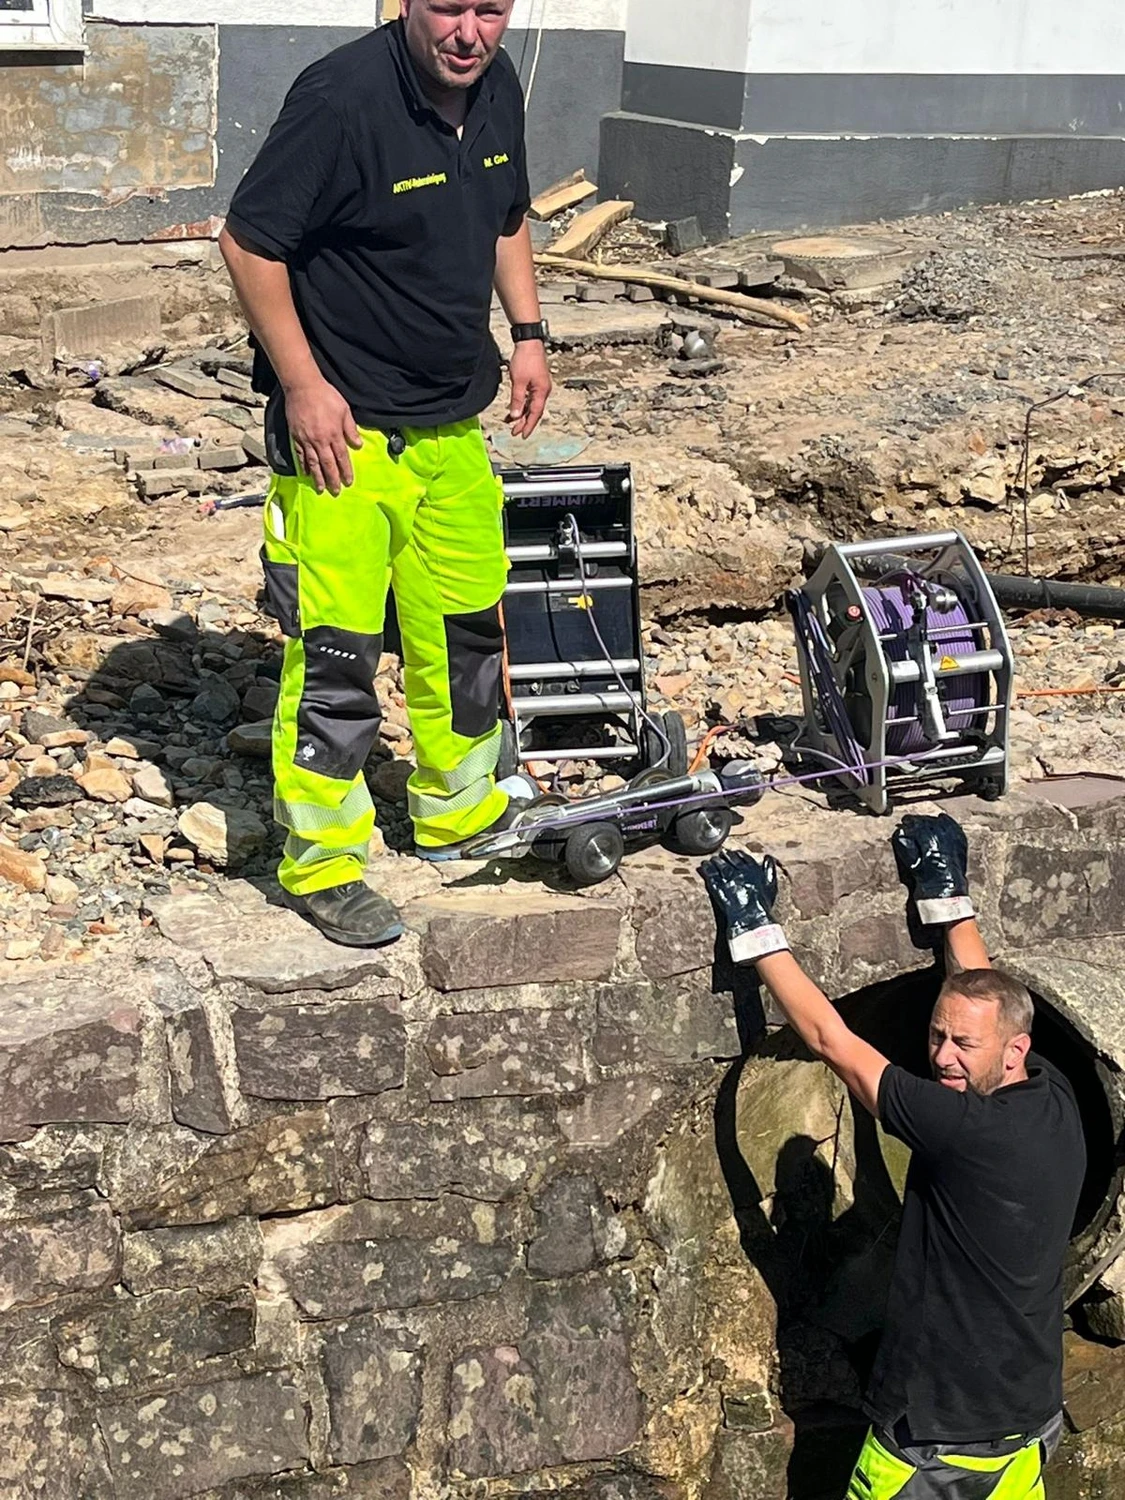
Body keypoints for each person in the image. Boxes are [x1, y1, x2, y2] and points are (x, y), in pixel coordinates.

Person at [219, 0, 551, 948]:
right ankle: (321, 862)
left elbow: (506, 214)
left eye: (491, 10)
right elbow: (248, 243)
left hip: (451, 425)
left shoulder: (498, 83)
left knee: (465, 633)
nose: (469, 32)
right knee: (336, 658)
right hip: (343, 438)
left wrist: (525, 335)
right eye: (449, 6)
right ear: (406, 2)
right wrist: (303, 385)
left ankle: (458, 811)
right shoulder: (339, 96)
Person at [701, 813, 1086, 1500]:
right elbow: (983, 990)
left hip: (930, 1440)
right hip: (1026, 1426)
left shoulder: (961, 1127)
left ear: (1011, 1050)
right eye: (935, 1036)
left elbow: (831, 1041)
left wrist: (755, 930)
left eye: (960, 1047)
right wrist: (946, 893)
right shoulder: (1050, 1093)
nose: (940, 1056)